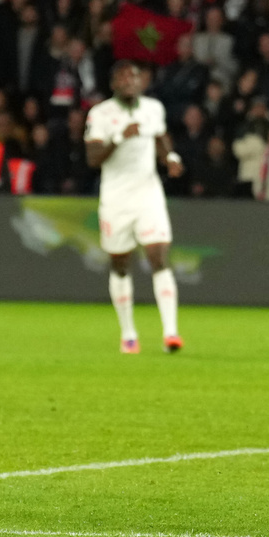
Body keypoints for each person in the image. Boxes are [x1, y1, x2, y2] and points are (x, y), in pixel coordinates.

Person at [84, 61, 185, 354]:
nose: (130, 81)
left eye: (135, 76)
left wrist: (171, 158)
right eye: (123, 77)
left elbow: (160, 137)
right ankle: (128, 333)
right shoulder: (100, 114)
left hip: (148, 193)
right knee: (120, 263)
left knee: (158, 255)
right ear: (113, 83)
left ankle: (171, 333)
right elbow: (93, 158)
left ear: (142, 82)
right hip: (116, 198)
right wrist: (119, 137)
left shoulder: (153, 108)